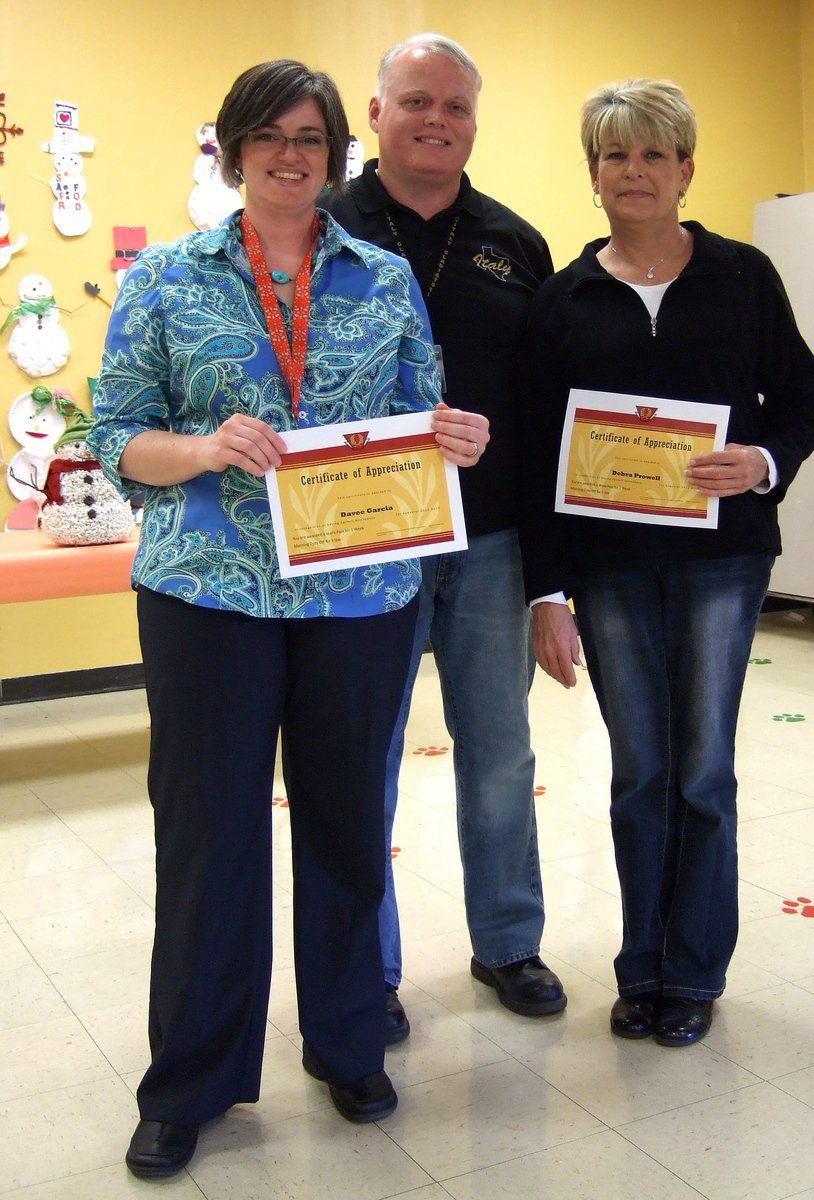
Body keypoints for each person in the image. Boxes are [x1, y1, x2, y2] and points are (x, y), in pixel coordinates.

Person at [87, 58, 487, 1180]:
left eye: (310, 137)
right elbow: (117, 432)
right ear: (232, 148)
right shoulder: (164, 279)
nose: (291, 154)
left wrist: (454, 437)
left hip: (360, 592)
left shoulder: (384, 276)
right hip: (207, 591)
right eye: (268, 135)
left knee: (351, 820)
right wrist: (207, 446)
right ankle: (194, 1081)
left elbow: (423, 413)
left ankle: (350, 1039)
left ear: (334, 154)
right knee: (211, 835)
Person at [518, 79, 814, 1048]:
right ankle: (640, 966)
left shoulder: (744, 277)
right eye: (616, 155)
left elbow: (804, 397)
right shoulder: (564, 298)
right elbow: (536, 452)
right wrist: (545, 590)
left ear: (687, 168)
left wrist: (763, 460)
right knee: (639, 773)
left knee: (702, 774)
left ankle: (693, 972)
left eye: (655, 154)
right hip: (609, 569)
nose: (635, 172)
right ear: (594, 173)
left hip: (722, 562)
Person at [321, 33, 567, 1038]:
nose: (437, 121)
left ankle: (508, 941)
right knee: (362, 759)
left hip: (493, 541)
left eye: (456, 106)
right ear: (373, 115)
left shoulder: (517, 241)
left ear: (475, 122)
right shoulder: (320, 226)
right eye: (416, 101)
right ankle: (364, 974)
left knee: (500, 753)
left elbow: (548, 410)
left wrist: (557, 578)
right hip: (362, 540)